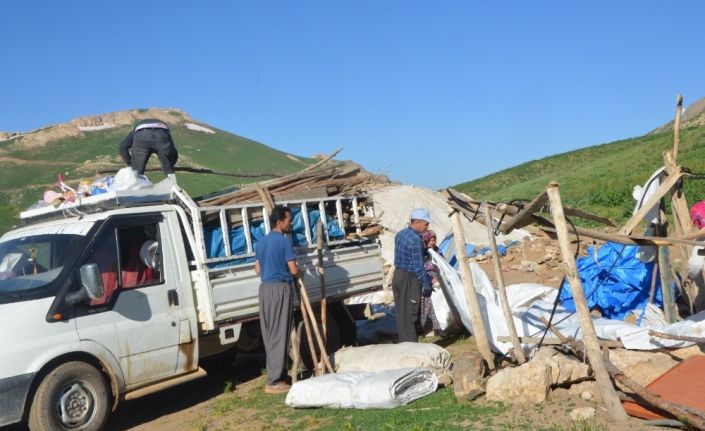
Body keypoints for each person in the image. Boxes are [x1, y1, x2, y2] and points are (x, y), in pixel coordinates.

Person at [254, 206, 298, 394]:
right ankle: (274, 382)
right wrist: (299, 272)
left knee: (271, 334)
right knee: (281, 333)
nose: (291, 223)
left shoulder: (261, 242)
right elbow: (294, 270)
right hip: (280, 289)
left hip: (265, 290)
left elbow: (257, 269)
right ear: (279, 222)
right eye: (289, 220)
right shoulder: (283, 241)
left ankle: (277, 375)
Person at [392, 208, 432, 342]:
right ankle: (411, 346)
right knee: (411, 312)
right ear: (418, 222)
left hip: (398, 274)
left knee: (401, 312)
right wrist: (426, 284)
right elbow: (418, 266)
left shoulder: (400, 234)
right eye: (426, 224)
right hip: (409, 278)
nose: (427, 227)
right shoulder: (416, 240)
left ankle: (404, 342)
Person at [420, 230, 444, 337]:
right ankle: (424, 328)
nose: (433, 242)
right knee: (429, 305)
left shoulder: (438, 251)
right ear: (426, 241)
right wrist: (431, 279)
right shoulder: (423, 253)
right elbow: (420, 269)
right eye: (431, 240)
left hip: (439, 280)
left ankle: (438, 327)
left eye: (434, 240)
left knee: (439, 304)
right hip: (427, 281)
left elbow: (444, 263)